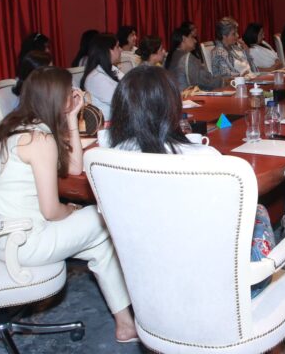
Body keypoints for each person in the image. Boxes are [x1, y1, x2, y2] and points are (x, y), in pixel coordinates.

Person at [0, 66, 137, 343]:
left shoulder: (17, 127)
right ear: (57, 97)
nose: (75, 93)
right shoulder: (40, 140)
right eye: (70, 91)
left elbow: (74, 166)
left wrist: (71, 118)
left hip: (0, 238)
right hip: (26, 243)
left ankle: (125, 323)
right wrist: (72, 210)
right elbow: (51, 211)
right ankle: (130, 315)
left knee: (98, 241)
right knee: (102, 218)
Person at [104, 65, 276, 298]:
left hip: (150, 282)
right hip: (220, 288)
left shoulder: (108, 161)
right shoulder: (206, 159)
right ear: (172, 108)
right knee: (259, 212)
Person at [81, 33, 123, 117]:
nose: (121, 50)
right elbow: (122, 100)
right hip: (107, 127)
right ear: (109, 51)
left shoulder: (112, 69)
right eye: (118, 47)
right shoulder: (95, 78)